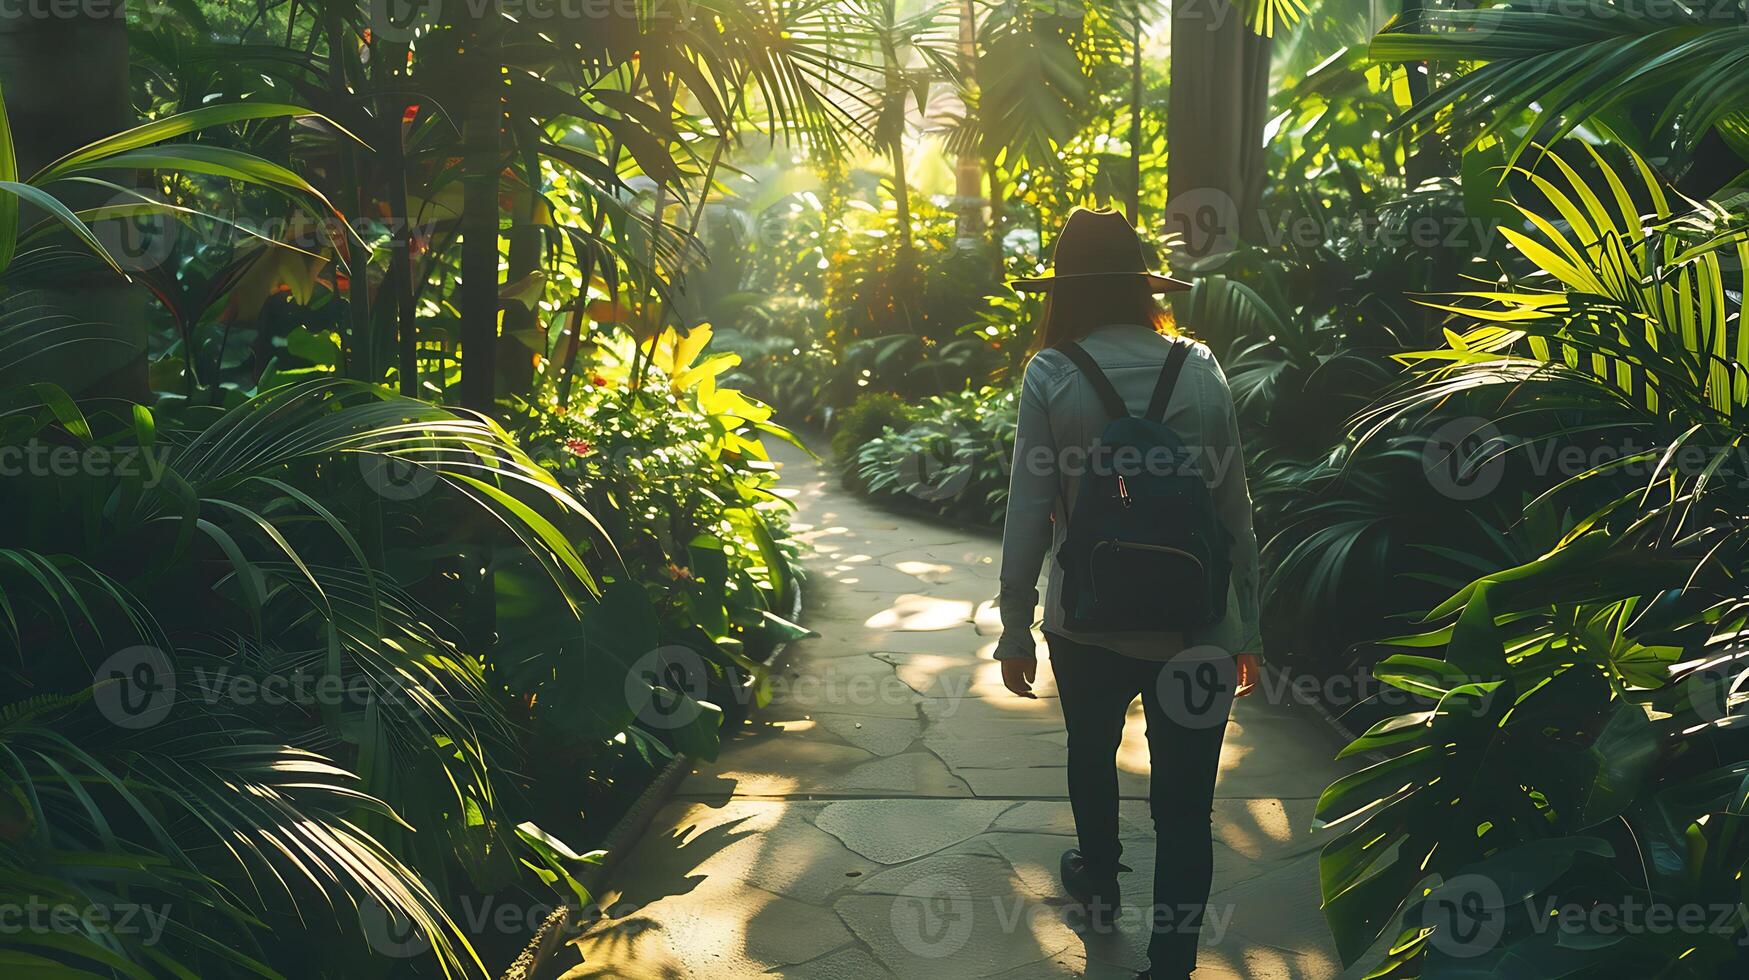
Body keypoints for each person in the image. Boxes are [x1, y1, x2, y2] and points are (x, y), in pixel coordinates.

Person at [993, 207, 1262, 980]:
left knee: (1090, 749)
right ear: (1144, 284)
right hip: (1198, 625)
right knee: (1186, 811)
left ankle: (1100, 880)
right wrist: (1247, 630)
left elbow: (1028, 507)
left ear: (1063, 292)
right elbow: (1232, 508)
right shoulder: (1200, 365)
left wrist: (1015, 625)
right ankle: (1170, 963)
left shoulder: (1052, 371)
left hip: (1088, 620)